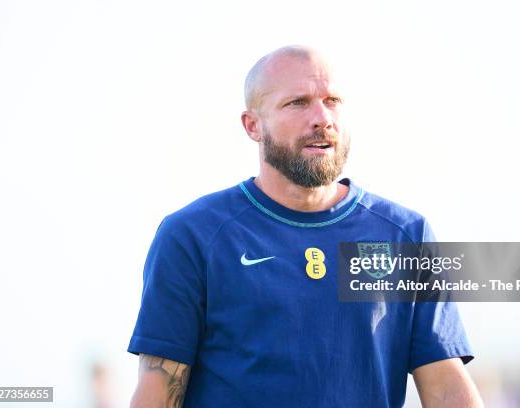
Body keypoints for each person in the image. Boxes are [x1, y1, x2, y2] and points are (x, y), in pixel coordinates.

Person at [128, 45, 483, 408]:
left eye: (332, 100)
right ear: (253, 125)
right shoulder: (193, 235)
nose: (321, 117)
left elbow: (444, 385)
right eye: (298, 102)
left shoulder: (405, 234)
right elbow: (158, 390)